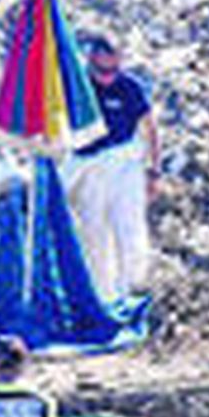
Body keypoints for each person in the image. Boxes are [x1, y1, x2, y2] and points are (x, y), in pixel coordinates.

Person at [62, 38, 160, 303]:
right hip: (89, 164)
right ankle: (102, 297)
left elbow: (149, 127)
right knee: (94, 234)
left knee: (129, 227)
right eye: (102, 72)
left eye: (113, 70)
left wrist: (154, 171)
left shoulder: (129, 88)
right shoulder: (77, 87)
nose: (108, 78)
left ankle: (133, 290)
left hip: (123, 162)